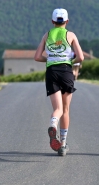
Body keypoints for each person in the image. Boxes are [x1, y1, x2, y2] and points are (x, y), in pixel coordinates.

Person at [34, 8, 84, 156]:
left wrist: (49, 59)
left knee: (58, 109)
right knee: (66, 110)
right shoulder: (71, 35)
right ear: (67, 21)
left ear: (52, 21)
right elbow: (80, 57)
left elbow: (37, 57)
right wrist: (69, 60)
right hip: (66, 71)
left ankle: (53, 124)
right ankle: (62, 144)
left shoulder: (47, 35)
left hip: (51, 72)